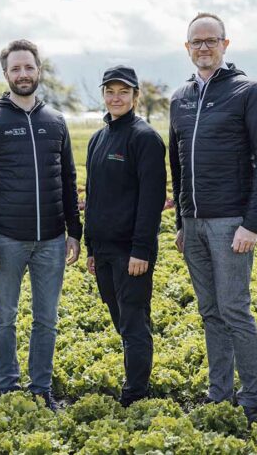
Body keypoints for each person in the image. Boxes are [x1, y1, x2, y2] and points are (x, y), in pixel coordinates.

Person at [169, 12, 257, 425]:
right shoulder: (180, 98)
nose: (203, 47)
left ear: (225, 45)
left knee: (235, 310)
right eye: (196, 42)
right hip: (194, 225)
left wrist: (252, 224)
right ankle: (220, 393)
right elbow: (176, 164)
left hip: (232, 222)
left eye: (211, 40)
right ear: (187, 48)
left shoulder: (249, 92)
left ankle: (251, 398)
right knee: (210, 311)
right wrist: (182, 220)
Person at [0, 39, 82, 410]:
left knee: (46, 319)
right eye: (15, 68)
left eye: (28, 67)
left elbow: (67, 177)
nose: (23, 74)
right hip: (7, 239)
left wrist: (74, 231)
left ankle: (41, 388)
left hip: (51, 239)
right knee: (5, 316)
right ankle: (8, 387)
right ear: (6, 74)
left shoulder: (55, 121)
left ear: (38, 70)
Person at [84, 65, 166, 407]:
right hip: (102, 251)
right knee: (121, 320)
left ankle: (135, 394)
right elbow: (93, 195)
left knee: (134, 324)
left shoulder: (144, 138)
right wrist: (90, 247)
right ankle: (136, 381)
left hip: (131, 253)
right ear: (103, 94)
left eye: (123, 92)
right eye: (110, 91)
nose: (116, 97)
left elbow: (152, 200)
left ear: (136, 96)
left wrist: (141, 250)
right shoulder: (98, 138)